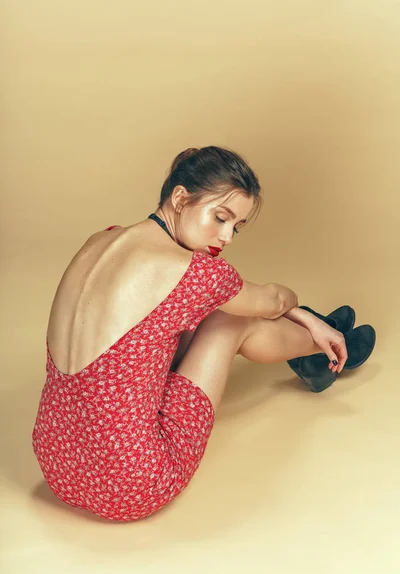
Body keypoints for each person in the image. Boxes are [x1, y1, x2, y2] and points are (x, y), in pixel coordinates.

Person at [32, 146, 371, 522]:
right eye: (221, 217)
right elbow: (273, 299)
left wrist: (295, 315)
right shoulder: (194, 273)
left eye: (236, 227)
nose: (227, 237)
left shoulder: (100, 239)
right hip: (131, 485)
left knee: (206, 308)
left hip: (56, 462)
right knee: (232, 320)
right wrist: (305, 316)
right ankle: (329, 347)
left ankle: (313, 337)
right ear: (180, 198)